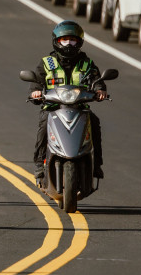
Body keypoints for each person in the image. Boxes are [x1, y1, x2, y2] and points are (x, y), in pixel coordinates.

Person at [29, 20, 106, 184]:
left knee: (94, 122)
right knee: (44, 124)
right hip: (53, 107)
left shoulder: (87, 63)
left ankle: (96, 164)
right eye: (64, 40)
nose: (69, 44)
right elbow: (36, 81)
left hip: (80, 107)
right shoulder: (47, 63)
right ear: (57, 41)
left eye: (73, 40)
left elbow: (96, 79)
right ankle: (39, 163)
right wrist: (35, 92)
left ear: (79, 42)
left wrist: (100, 90)